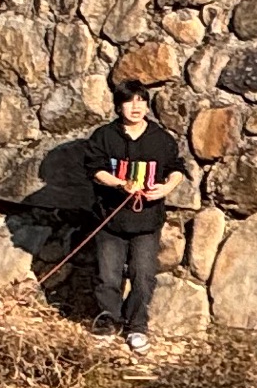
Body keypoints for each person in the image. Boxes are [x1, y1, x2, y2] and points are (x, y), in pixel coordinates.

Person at [81, 87, 194, 353]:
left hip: (147, 220)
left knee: (143, 276)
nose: (136, 107)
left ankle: (137, 327)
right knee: (107, 275)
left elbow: (176, 169)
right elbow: (94, 169)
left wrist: (166, 189)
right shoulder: (104, 136)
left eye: (141, 101)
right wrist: (120, 183)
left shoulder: (161, 139)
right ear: (119, 106)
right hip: (109, 218)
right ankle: (108, 323)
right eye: (129, 101)